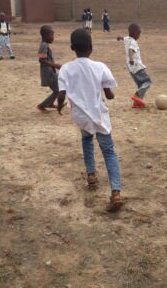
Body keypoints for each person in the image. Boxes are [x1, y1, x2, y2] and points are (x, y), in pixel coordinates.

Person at [57, 29, 124, 212]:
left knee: (86, 140)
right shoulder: (100, 67)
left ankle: (91, 175)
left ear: (72, 48)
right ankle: (116, 192)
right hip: (99, 116)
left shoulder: (66, 69)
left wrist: (59, 105)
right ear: (91, 47)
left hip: (81, 117)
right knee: (109, 152)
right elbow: (109, 95)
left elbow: (61, 94)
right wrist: (109, 92)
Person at [117, 24, 152, 108]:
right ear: (134, 33)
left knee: (141, 84)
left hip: (131, 68)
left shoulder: (127, 39)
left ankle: (137, 103)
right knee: (147, 81)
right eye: (139, 33)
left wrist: (120, 38)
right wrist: (131, 58)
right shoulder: (133, 42)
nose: (139, 35)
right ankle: (136, 95)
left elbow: (124, 38)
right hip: (137, 66)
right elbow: (131, 50)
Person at [37, 25, 62, 113]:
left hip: (51, 71)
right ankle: (41, 106)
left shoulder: (45, 45)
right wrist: (55, 65)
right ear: (45, 35)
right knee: (58, 91)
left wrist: (54, 66)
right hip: (48, 72)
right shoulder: (43, 46)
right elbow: (41, 60)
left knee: (58, 89)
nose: (53, 37)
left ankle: (50, 103)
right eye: (51, 35)